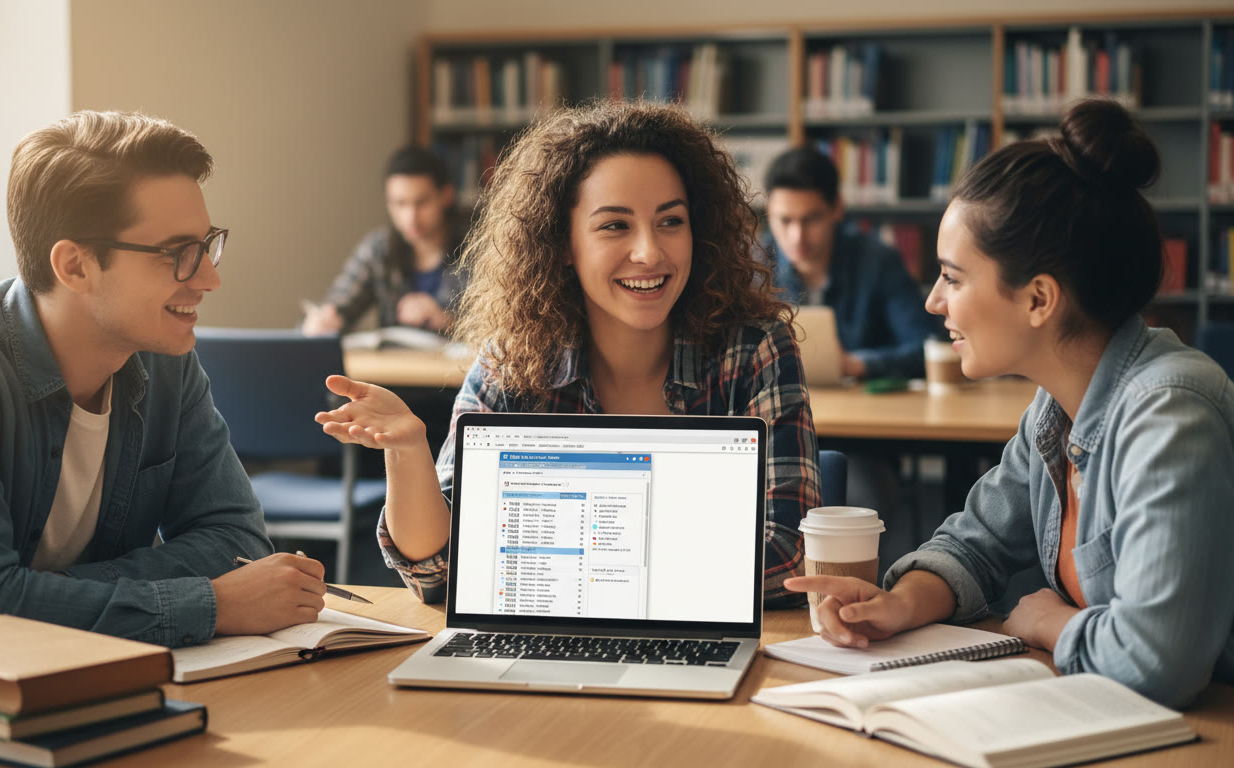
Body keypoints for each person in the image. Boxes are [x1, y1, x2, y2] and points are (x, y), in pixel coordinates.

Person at [786, 100, 1234, 708]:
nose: (934, 303)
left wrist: (1049, 623)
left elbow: (1156, 661)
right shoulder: (1054, 411)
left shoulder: (1169, 415)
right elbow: (976, 542)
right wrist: (900, 604)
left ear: (1038, 299)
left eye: (954, 277)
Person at [315, 100, 822, 605]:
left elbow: (786, 554)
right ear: (561, 242)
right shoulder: (512, 360)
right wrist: (407, 453)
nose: (649, 251)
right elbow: (435, 573)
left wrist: (558, 567)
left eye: (671, 221)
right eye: (614, 226)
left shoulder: (754, 351)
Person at [0, 111, 328, 647]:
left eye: (207, 244)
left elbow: (237, 542)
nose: (210, 278)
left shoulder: (163, 356)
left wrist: (34, 595)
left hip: (107, 677)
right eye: (178, 254)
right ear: (74, 266)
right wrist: (210, 603)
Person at [762, 146, 937, 380]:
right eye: (785, 220)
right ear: (768, 212)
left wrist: (857, 365)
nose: (797, 236)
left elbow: (926, 348)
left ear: (837, 209)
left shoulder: (879, 261)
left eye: (811, 219)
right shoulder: (749, 266)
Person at [302, 146, 467, 336]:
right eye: (399, 203)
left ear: (446, 196)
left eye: (421, 202)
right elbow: (340, 303)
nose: (410, 217)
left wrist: (448, 320)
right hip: (391, 364)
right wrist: (323, 321)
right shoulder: (379, 248)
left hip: (460, 364)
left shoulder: (477, 250)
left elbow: (499, 330)